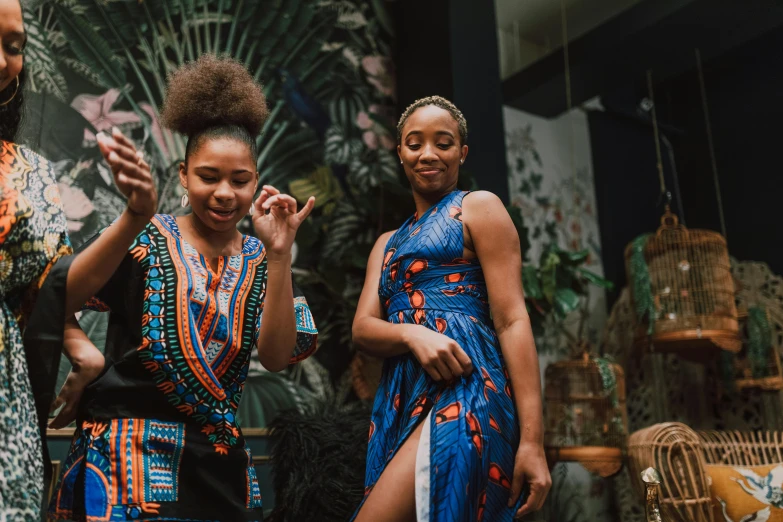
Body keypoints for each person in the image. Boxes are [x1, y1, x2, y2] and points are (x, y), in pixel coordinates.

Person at [46, 54, 317, 522]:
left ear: (257, 181)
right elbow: (52, 293)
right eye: (209, 177)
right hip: (122, 460)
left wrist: (279, 255)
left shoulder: (262, 258)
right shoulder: (143, 237)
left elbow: (276, 356)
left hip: (218, 469)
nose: (224, 193)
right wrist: (84, 354)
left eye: (240, 180)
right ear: (183, 175)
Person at [351, 96, 552, 522]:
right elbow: (363, 329)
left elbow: (512, 319)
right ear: (400, 153)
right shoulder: (386, 244)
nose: (428, 154)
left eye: (443, 143)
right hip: (400, 399)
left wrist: (533, 442)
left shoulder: (477, 207)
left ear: (461, 152)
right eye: (415, 143)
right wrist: (412, 334)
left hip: (469, 389)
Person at [0, 0, 157, 517]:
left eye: (15, 46)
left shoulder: (31, 175)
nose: (4, 61)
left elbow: (52, 288)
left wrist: (135, 215)